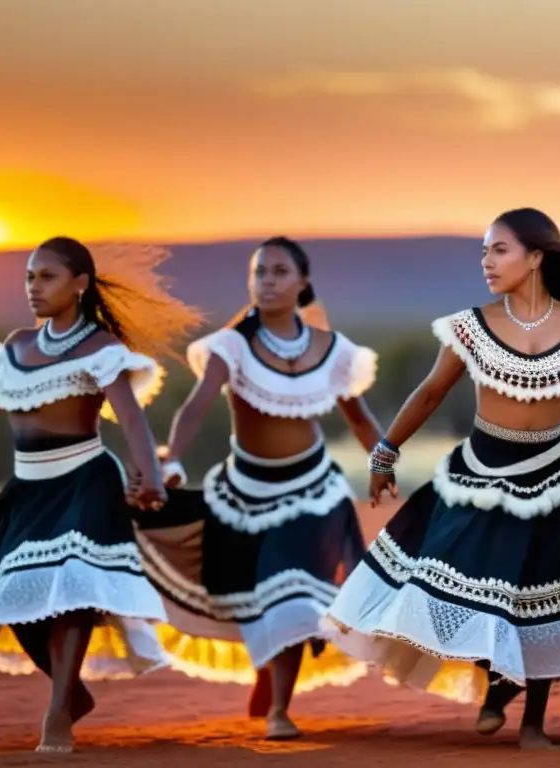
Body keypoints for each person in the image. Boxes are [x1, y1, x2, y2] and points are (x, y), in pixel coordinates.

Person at [320, 208, 560, 749]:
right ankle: (497, 677)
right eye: (483, 251)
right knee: (470, 583)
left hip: (558, 478)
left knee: (547, 593)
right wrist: (384, 454)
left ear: (536, 257)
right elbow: (429, 393)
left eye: (499, 249)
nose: (487, 261)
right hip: (479, 477)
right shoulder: (469, 327)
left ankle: (533, 725)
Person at [0, 237, 203, 753]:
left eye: (47, 276)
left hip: (85, 479)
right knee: (12, 598)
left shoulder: (100, 347)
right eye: (29, 277)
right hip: (27, 489)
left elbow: (130, 417)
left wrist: (148, 475)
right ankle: (72, 693)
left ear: (80, 283)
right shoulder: (14, 349)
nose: (34, 287)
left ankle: (57, 712)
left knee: (72, 586)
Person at [131, 236, 384, 740]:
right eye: (259, 272)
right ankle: (267, 670)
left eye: (278, 272)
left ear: (302, 283)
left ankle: (280, 711)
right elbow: (197, 407)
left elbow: (359, 419)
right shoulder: (231, 346)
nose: (266, 281)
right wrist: (172, 460)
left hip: (315, 492)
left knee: (292, 594)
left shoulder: (334, 352)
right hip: (243, 493)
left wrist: (384, 462)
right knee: (255, 594)